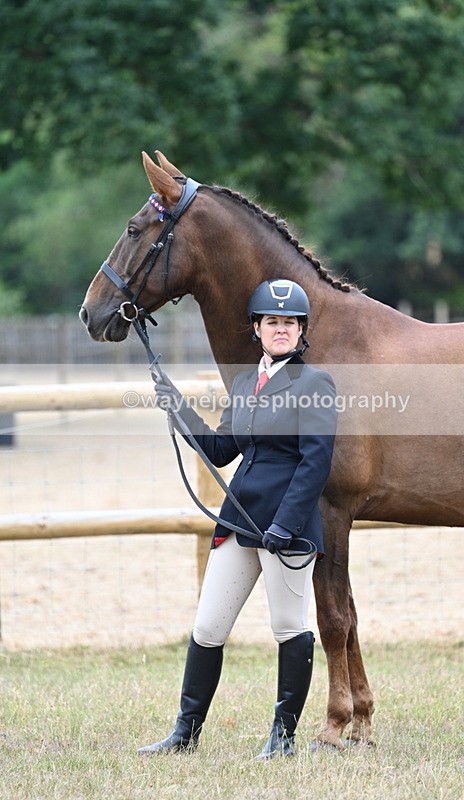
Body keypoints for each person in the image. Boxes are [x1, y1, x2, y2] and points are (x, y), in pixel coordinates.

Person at [137, 278, 337, 760]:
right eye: (273, 322)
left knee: (289, 627)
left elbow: (315, 463)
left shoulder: (315, 384)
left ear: (301, 330)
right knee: (208, 628)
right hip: (240, 521)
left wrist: (285, 527)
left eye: (290, 323)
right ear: (258, 328)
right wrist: (178, 408)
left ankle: (282, 737)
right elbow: (223, 450)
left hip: (285, 528)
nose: (281, 329)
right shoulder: (246, 383)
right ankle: (185, 734)